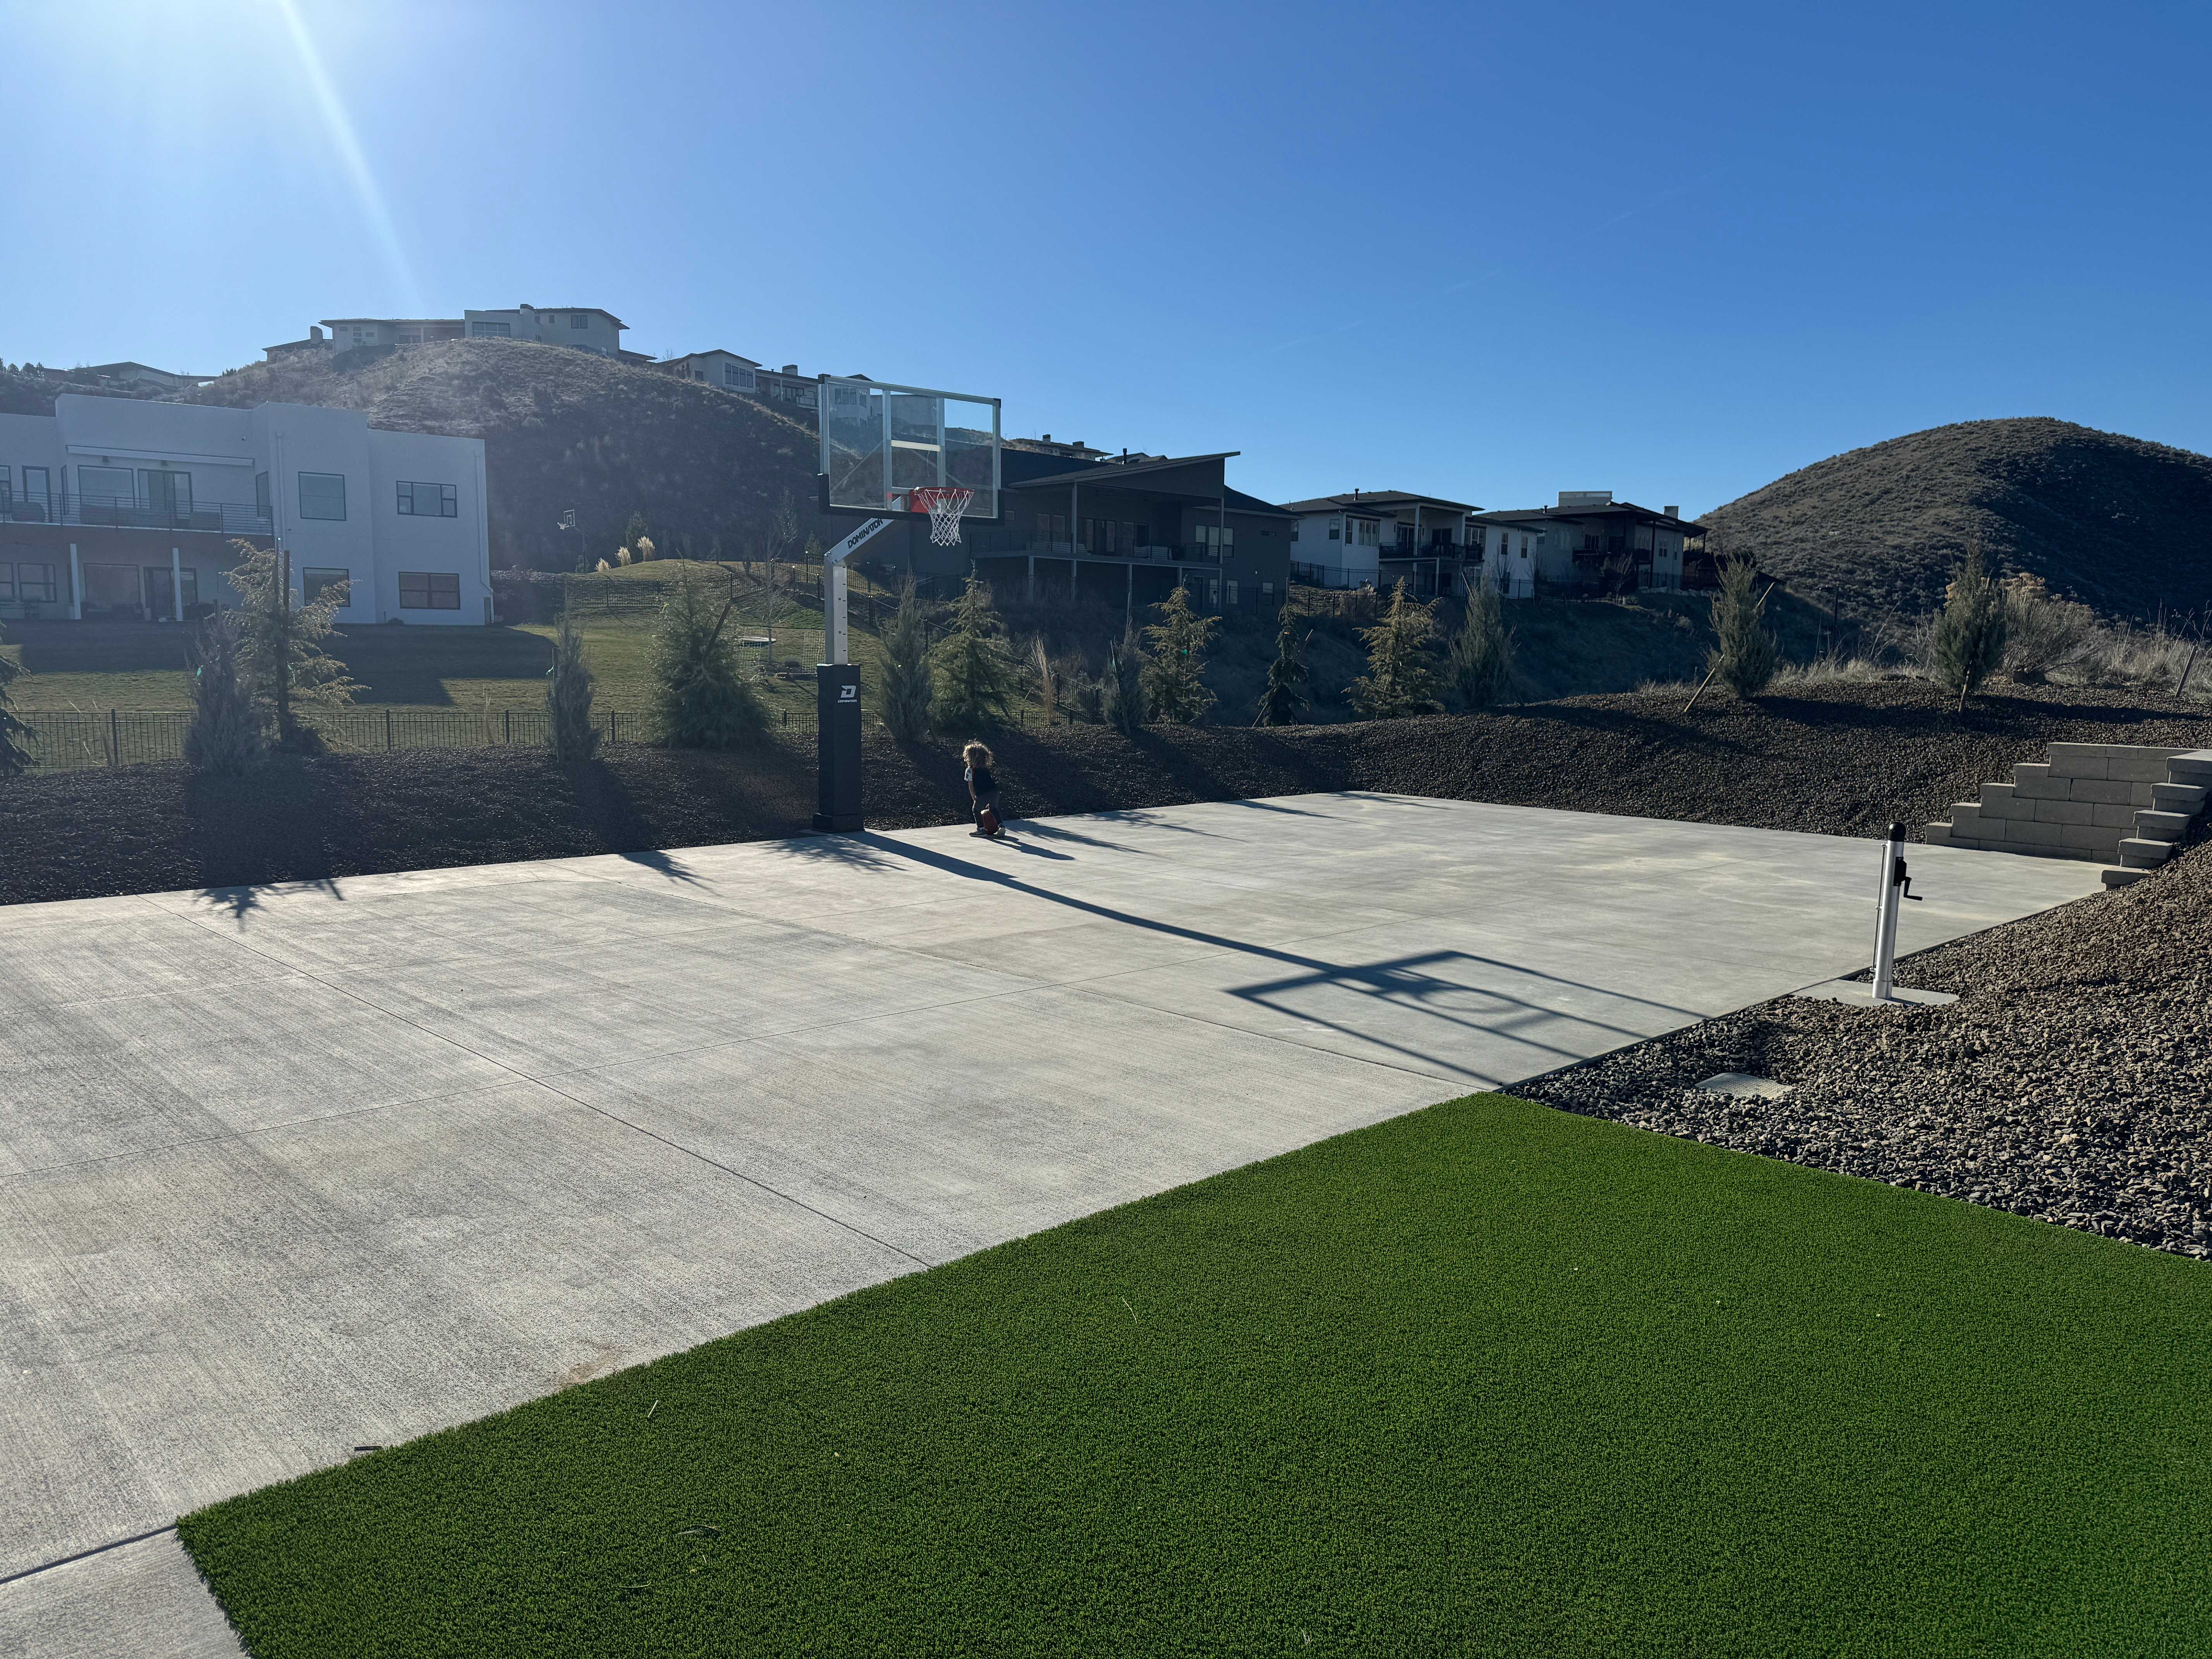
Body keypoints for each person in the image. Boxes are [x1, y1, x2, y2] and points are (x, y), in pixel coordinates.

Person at [963, 740, 1003, 837]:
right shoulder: (985, 768)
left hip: (983, 794)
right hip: (995, 792)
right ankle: (1001, 826)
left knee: (976, 810)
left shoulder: (970, 770)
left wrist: (975, 799)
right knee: (994, 808)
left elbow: (971, 786)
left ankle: (981, 830)